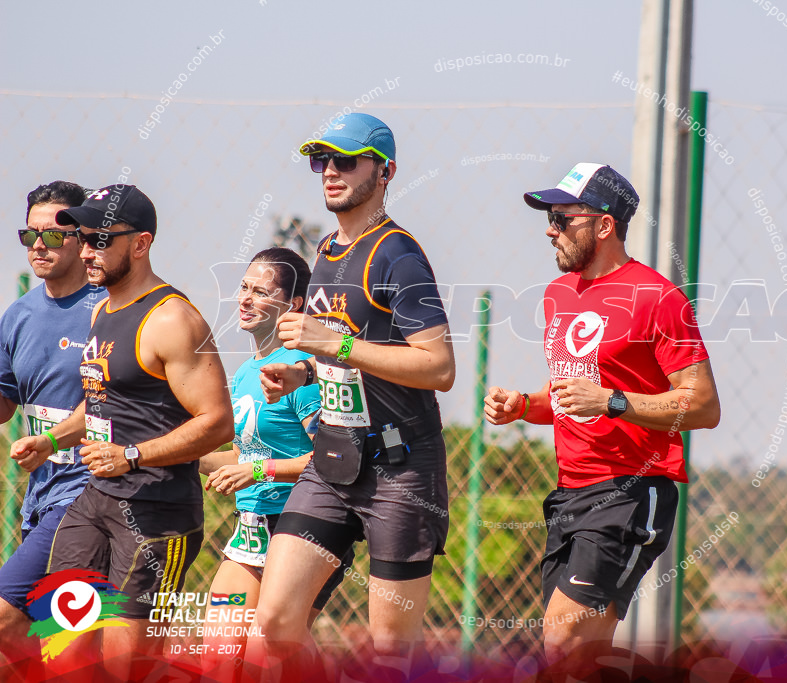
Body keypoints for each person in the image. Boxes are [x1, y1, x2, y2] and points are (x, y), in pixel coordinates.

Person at [484, 163, 721, 672]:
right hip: (570, 491)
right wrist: (524, 405)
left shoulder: (659, 298)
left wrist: (614, 400)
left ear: (604, 224)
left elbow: (703, 405)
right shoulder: (557, 294)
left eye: (561, 217)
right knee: (576, 655)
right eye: (549, 217)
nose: (550, 228)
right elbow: (573, 392)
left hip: (633, 491)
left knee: (563, 636)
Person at [254, 113, 454, 676]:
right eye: (322, 161)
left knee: (391, 655)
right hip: (332, 461)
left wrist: (335, 347)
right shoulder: (328, 251)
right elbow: (354, 358)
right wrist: (305, 375)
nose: (330, 173)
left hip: (400, 467)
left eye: (346, 160)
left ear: (385, 171)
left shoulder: (398, 254)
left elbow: (438, 367)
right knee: (274, 620)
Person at [9, 184, 234, 668]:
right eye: (83, 237)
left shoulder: (172, 319)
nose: (86, 250)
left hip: (158, 513)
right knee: (63, 645)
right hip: (96, 500)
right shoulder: (104, 311)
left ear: (140, 243)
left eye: (100, 239)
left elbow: (217, 423)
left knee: (126, 662)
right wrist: (50, 441)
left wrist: (132, 456)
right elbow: (102, 406)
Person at [199, 248, 349, 676]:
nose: (244, 299)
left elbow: (334, 456)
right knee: (218, 654)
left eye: (261, 292)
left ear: (294, 306)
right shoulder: (248, 371)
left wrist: (260, 471)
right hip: (251, 528)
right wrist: (170, 456)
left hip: (300, 526)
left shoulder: (297, 372)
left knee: (271, 654)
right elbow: (242, 456)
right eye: (244, 287)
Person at [0, 181, 97, 665]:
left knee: (6, 615)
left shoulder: (110, 310)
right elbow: (5, 399)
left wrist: (55, 437)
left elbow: (113, 403)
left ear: (84, 238)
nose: (39, 245)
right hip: (40, 495)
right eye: (30, 235)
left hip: (90, 493)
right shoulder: (18, 314)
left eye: (54, 235)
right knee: (45, 640)